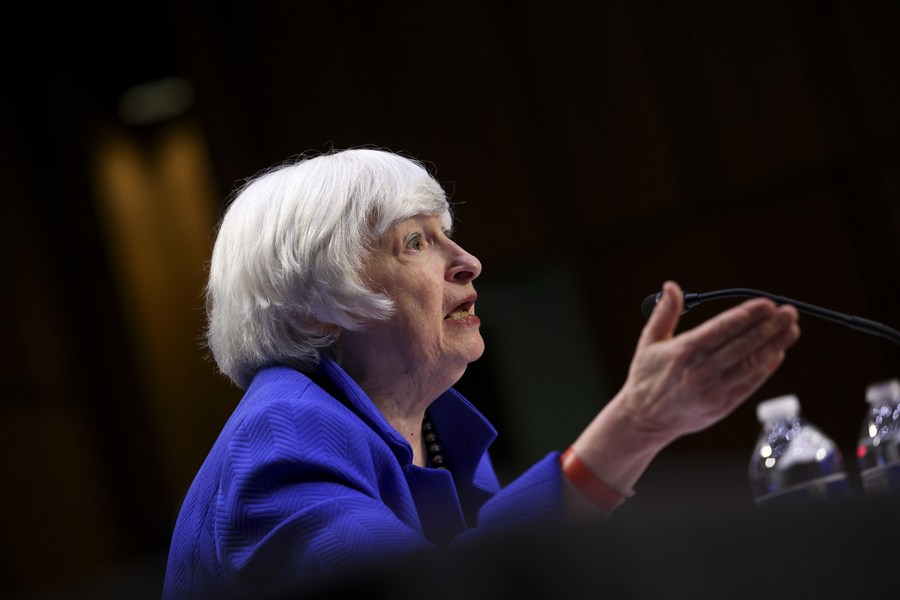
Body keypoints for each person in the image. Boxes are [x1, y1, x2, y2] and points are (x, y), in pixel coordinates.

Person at [162, 147, 800, 599]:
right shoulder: (282, 439)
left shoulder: (438, 428)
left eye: (446, 234)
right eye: (415, 242)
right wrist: (631, 425)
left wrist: (641, 427)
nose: (468, 260)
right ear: (317, 310)